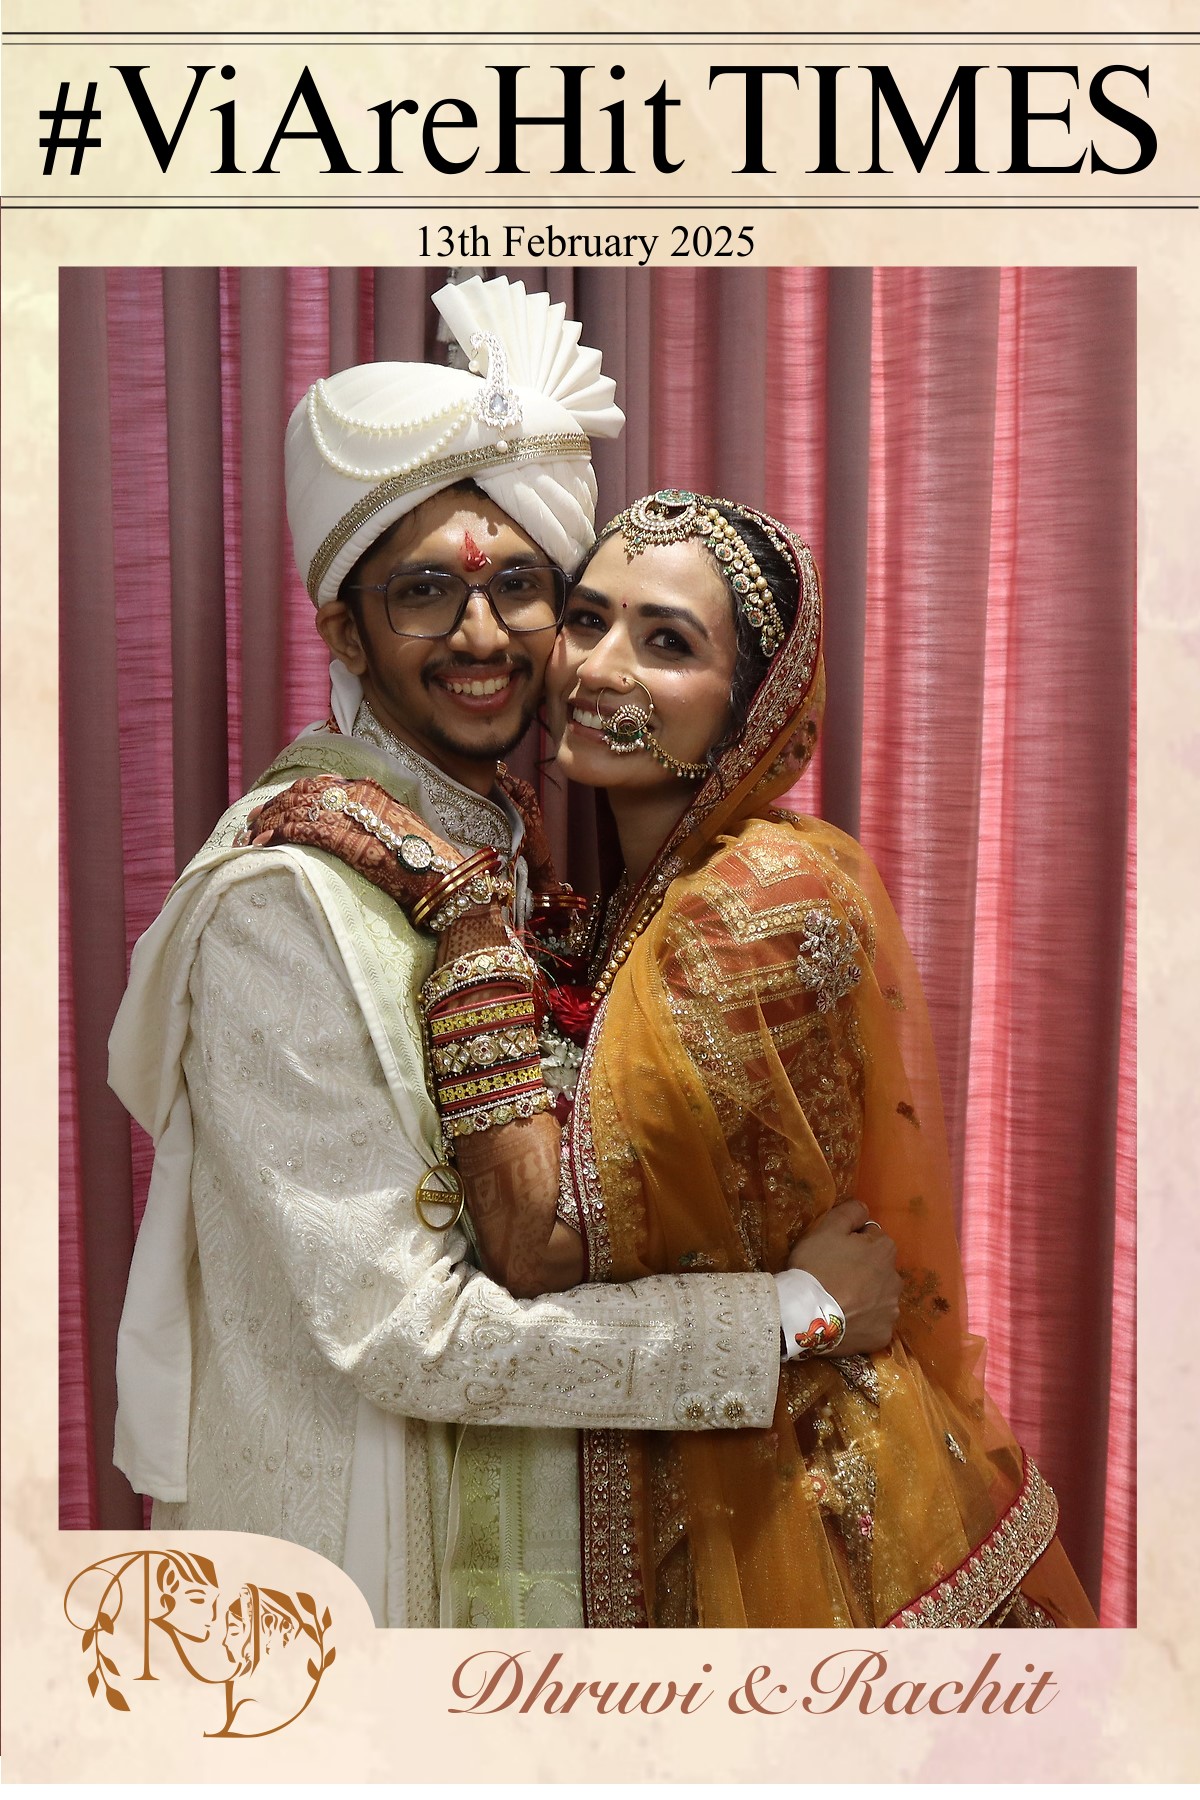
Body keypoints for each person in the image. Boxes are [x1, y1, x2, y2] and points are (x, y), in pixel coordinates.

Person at [109, 280, 899, 1630]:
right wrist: (788, 1319)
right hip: (350, 1562)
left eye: (520, 587)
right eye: (426, 593)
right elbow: (404, 1331)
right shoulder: (283, 902)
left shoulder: (492, 852)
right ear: (346, 630)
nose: (483, 638)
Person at [255, 488, 1098, 1628]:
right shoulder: (641, 904)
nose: (597, 669)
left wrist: (461, 926)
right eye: (590, 620)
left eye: (667, 644)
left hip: (794, 1515)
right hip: (706, 1466)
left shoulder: (751, 906)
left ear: (751, 709)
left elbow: (540, 1244)